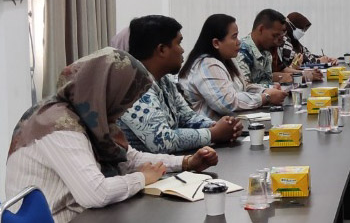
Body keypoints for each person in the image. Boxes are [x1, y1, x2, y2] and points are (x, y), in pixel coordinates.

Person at [4, 48, 218, 223]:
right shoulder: (58, 126)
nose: (127, 107)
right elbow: (96, 193)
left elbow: (130, 158)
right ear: (107, 90)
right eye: (126, 98)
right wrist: (142, 178)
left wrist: (186, 162)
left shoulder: (90, 115)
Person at [116, 16, 242, 153]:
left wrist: (222, 126)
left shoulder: (164, 80)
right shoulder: (133, 86)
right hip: (146, 166)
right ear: (162, 50)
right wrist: (213, 133)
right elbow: (162, 141)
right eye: (179, 43)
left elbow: (187, 117)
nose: (182, 50)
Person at [178, 14, 286, 120]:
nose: (238, 42)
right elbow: (227, 103)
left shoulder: (228, 60)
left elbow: (243, 88)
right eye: (234, 37)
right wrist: (266, 97)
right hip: (210, 128)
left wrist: (267, 90)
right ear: (216, 43)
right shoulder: (206, 64)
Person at [236, 9, 293, 85]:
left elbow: (267, 81)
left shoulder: (265, 50)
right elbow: (245, 86)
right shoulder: (242, 51)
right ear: (261, 29)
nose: (276, 41)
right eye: (274, 35)